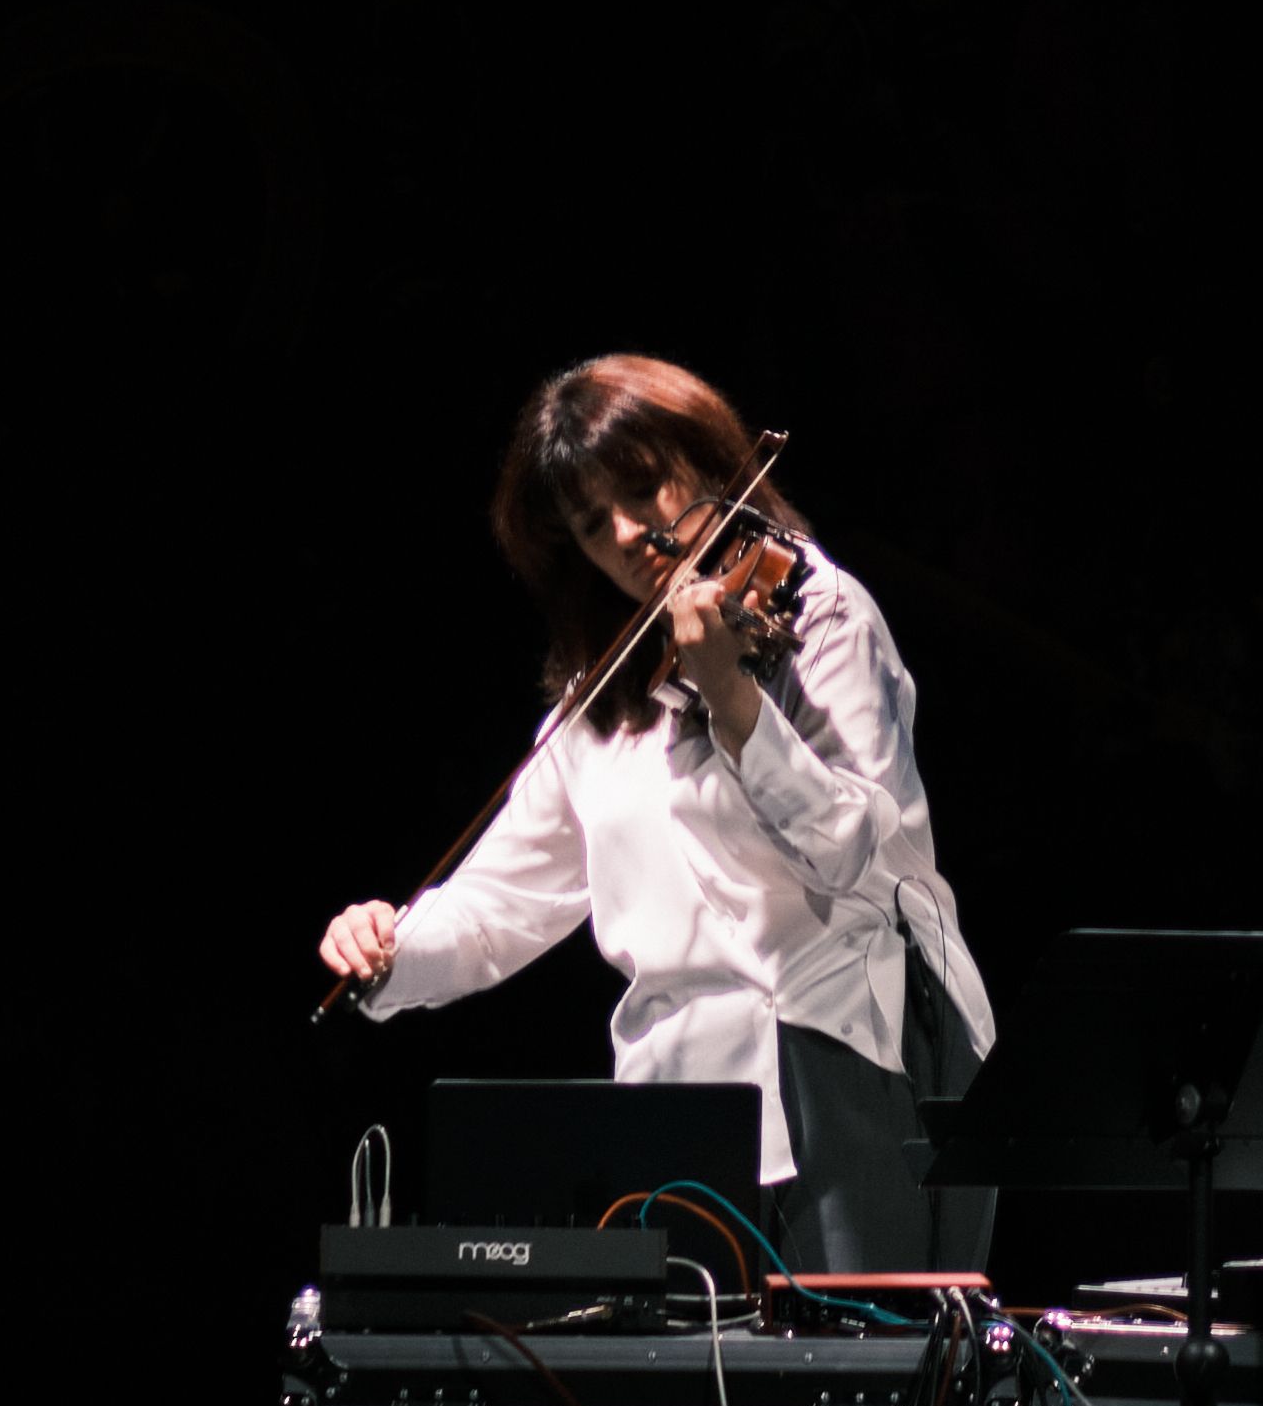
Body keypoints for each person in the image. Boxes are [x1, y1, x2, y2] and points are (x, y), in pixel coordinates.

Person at [315, 356, 997, 1275]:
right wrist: (388, 948)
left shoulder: (820, 615)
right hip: (674, 1105)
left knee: (852, 1362)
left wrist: (735, 702)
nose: (631, 534)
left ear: (706, 460)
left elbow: (857, 854)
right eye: (594, 525)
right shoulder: (599, 701)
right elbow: (497, 909)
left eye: (643, 491)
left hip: (843, 1059)